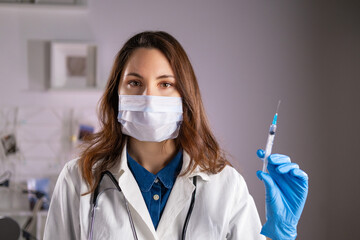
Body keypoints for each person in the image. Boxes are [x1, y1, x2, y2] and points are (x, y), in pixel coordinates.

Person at [43, 31, 308, 240]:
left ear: (185, 98)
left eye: (165, 84)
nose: (149, 97)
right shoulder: (79, 179)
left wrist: (278, 235)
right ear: (117, 95)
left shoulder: (225, 185)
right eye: (135, 83)